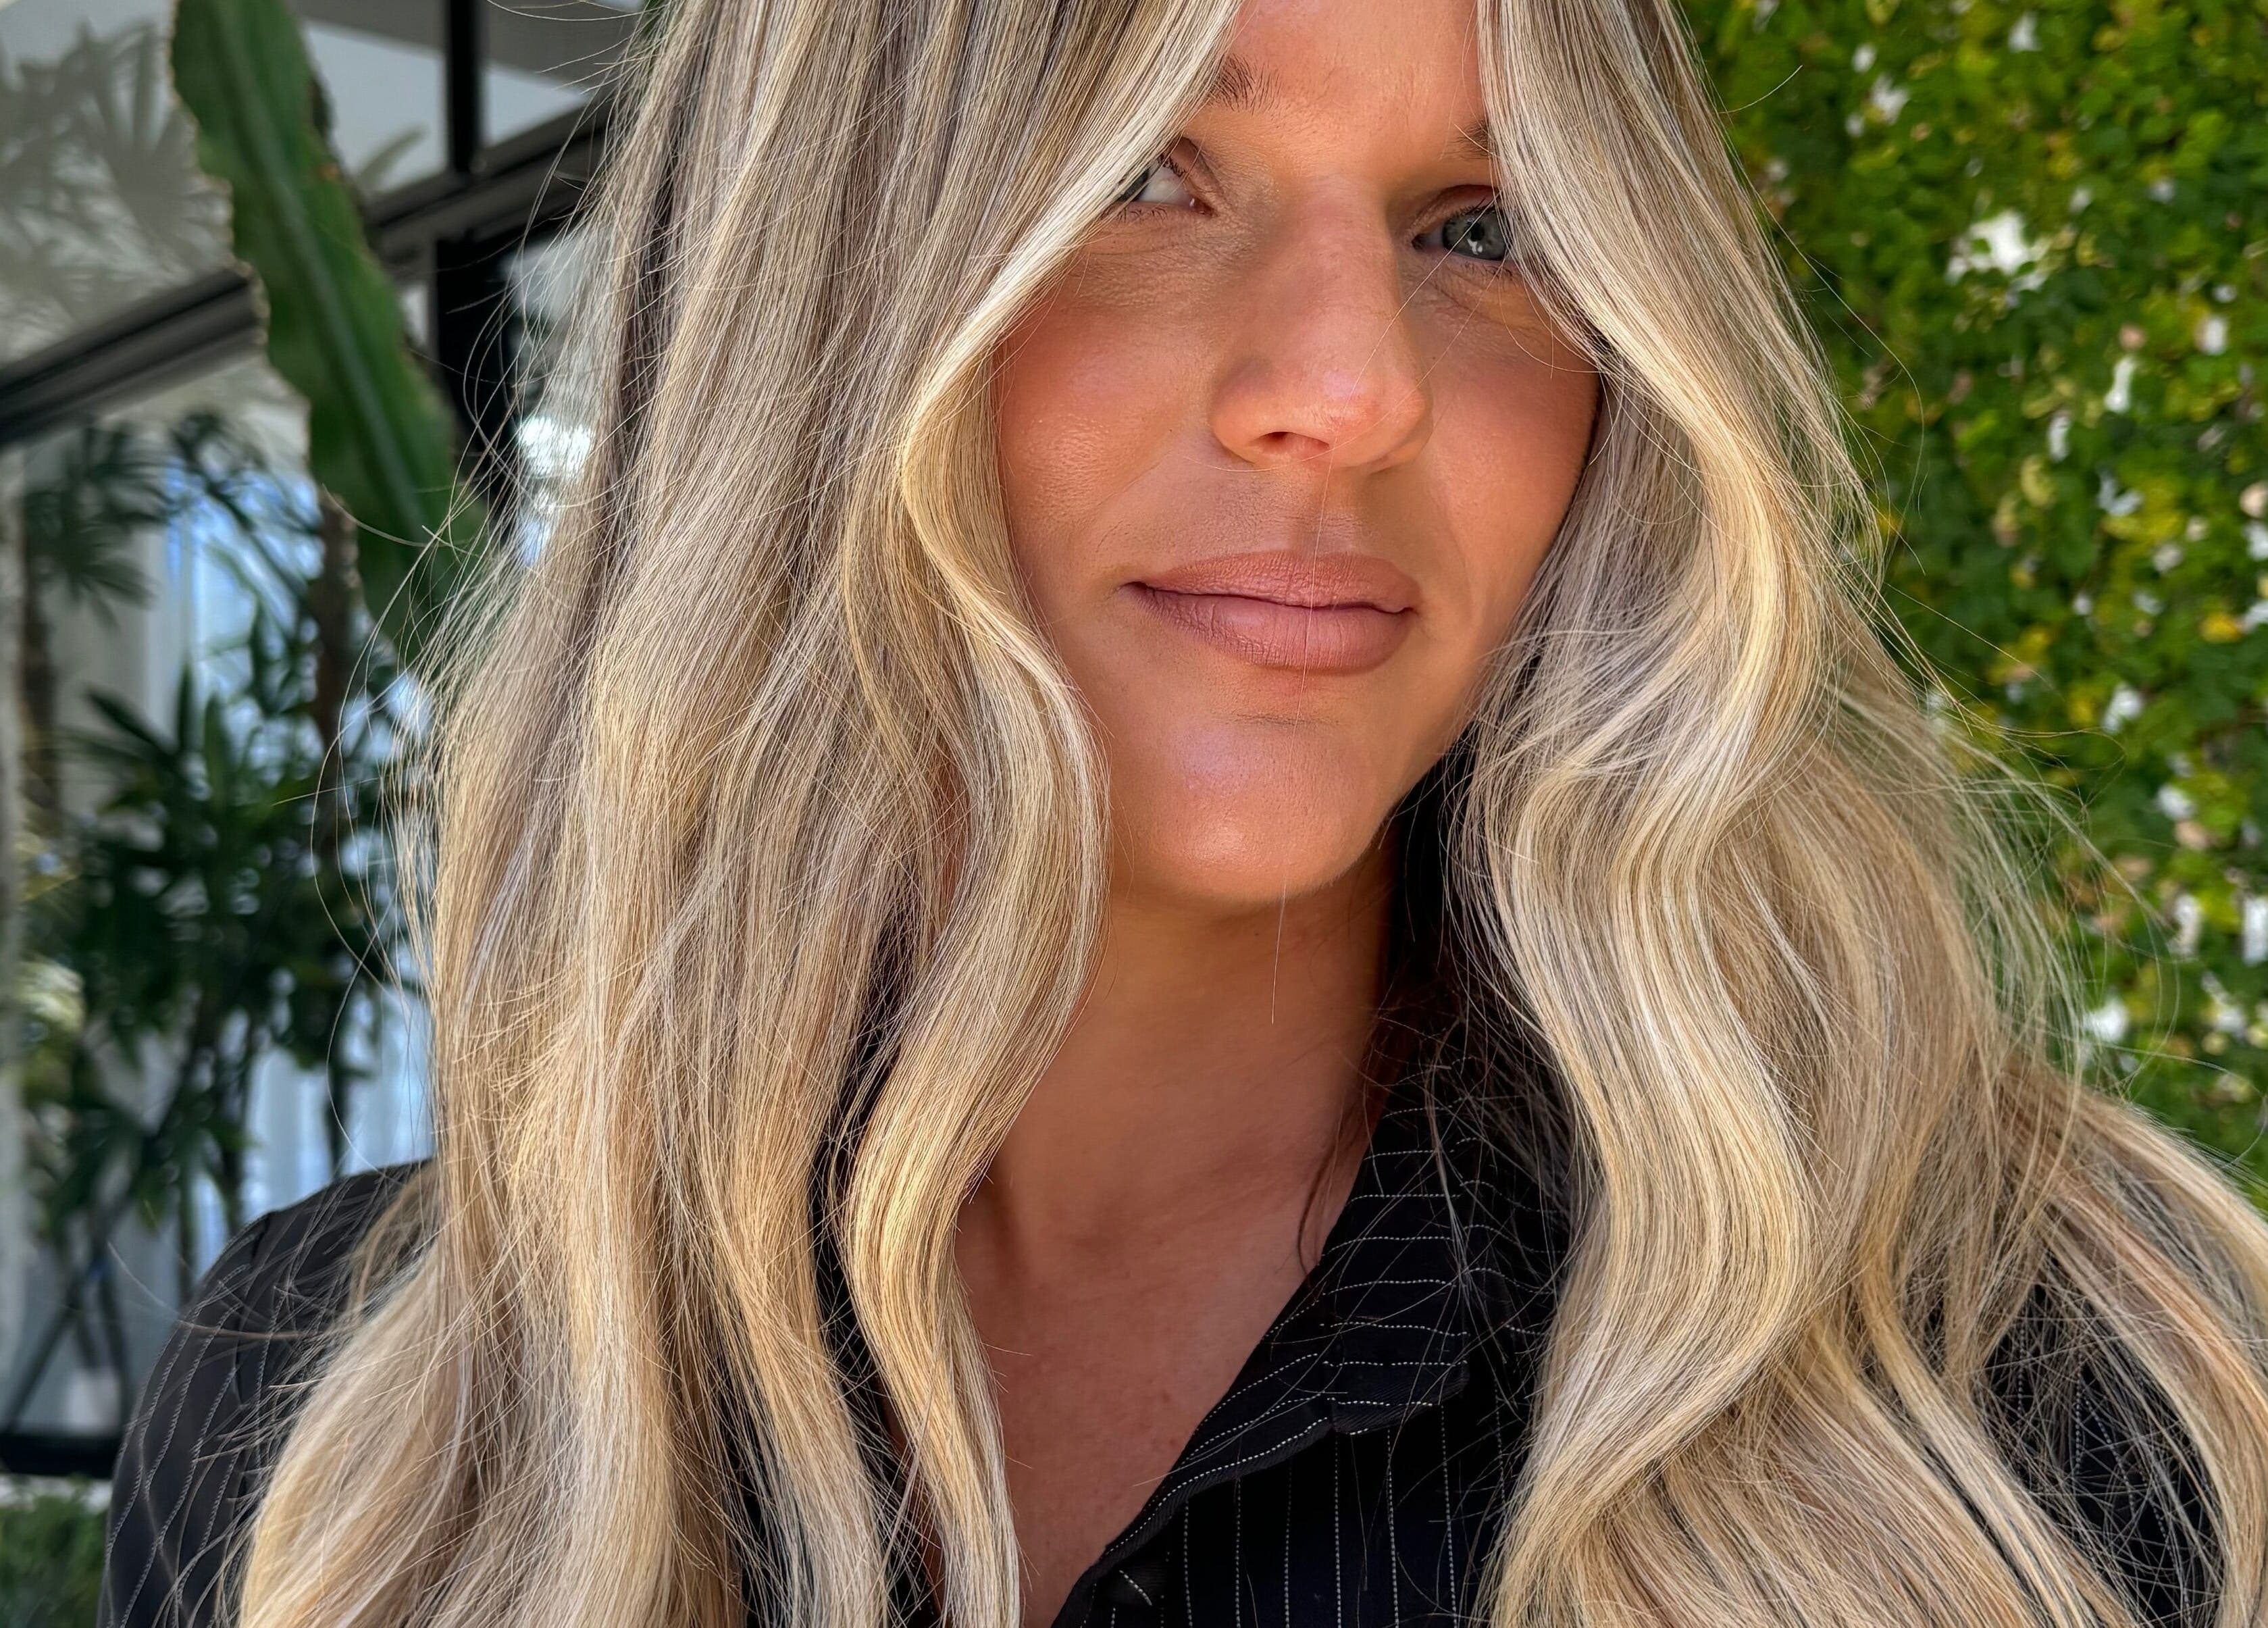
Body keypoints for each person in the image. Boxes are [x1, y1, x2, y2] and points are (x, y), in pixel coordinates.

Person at [98, 0, 2268, 1623]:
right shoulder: (352, 1433)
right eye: (1148, 174)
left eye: (1487, 224)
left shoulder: (2033, 1387)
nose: (1359, 385)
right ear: (821, 304)